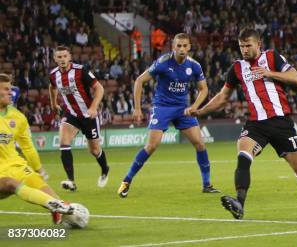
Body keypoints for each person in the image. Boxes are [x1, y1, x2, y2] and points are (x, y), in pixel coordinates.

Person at [193, 28, 297, 219]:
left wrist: (269, 73)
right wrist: (200, 112)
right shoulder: (237, 68)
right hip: (256, 125)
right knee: (243, 154)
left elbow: (295, 78)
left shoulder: (272, 57)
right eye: (241, 46)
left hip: (281, 122)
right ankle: (239, 203)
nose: (244, 50)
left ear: (258, 44)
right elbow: (222, 97)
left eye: (248, 45)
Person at [118, 33, 218, 197]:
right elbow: (139, 81)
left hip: (182, 109)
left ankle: (207, 184)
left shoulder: (194, 66)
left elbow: (204, 89)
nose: (182, 49)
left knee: (200, 143)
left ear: (189, 47)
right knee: (151, 146)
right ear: (173, 47)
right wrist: (137, 108)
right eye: (178, 46)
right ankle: (126, 181)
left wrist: (194, 106)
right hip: (162, 107)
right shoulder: (163, 63)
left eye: (185, 46)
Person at [0, 73, 75, 224]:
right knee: (10, 183)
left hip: (15, 165)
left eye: (11, 89)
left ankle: (58, 208)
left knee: (40, 184)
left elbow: (27, 147)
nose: (11, 93)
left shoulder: (18, 117)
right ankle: (53, 205)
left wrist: (38, 169)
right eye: (6, 89)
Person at [48, 46, 108, 192]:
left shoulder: (81, 71)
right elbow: (52, 87)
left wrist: (93, 107)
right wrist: (53, 103)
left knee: (94, 150)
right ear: (55, 59)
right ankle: (71, 181)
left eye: (64, 56)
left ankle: (105, 169)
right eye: (59, 57)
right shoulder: (53, 74)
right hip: (71, 114)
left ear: (69, 57)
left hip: (88, 115)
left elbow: (99, 88)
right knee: (64, 142)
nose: (62, 59)